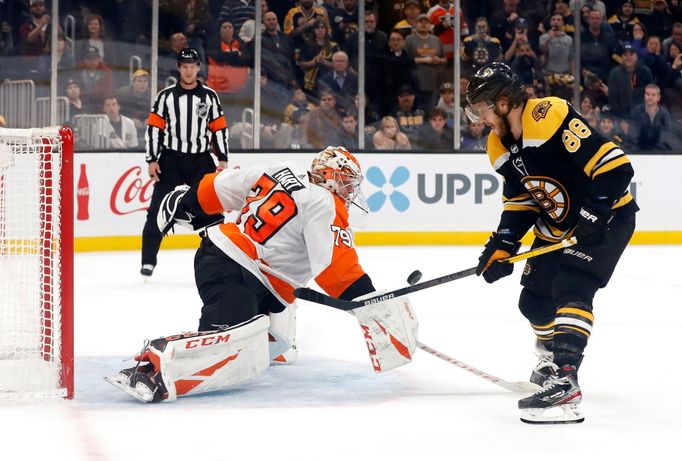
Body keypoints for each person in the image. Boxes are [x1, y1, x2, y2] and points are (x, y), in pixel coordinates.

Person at [109, 147, 419, 402]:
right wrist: (369, 301)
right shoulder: (325, 203)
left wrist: (187, 200)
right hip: (237, 271)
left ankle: (272, 342)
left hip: (224, 259)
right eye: (347, 181)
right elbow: (337, 270)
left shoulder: (282, 169)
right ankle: (157, 363)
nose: (351, 190)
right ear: (328, 175)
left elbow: (219, 187)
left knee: (279, 316)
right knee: (237, 349)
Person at [465, 62, 638, 424]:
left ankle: (565, 380)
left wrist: (594, 214)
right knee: (534, 301)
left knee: (571, 285)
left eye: (481, 108)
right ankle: (549, 359)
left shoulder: (548, 115)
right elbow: (522, 200)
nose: (479, 118)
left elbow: (617, 169)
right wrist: (504, 243)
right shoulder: (497, 145)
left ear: (502, 102)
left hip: (607, 216)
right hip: (559, 225)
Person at [140, 48, 229, 279]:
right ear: (179, 68)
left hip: (200, 159)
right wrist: (151, 159)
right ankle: (147, 262)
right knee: (156, 209)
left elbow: (219, 128)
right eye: (184, 66)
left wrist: (222, 159)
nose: (188, 70)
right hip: (171, 159)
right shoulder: (165, 96)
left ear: (198, 67)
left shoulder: (210, 96)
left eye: (192, 66)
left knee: (213, 211)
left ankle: (218, 259)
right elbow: (154, 129)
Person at [607, 43, 654, 119]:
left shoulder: (645, 71)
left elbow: (651, 94)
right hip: (620, 117)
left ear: (636, 56)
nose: (628, 57)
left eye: (631, 55)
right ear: (622, 57)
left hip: (642, 116)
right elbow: (613, 99)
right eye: (625, 55)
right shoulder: (614, 73)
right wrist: (622, 119)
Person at [630, 83, 675, 150]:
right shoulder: (636, 112)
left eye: (653, 95)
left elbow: (666, 138)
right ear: (644, 95)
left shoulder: (664, 114)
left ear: (658, 97)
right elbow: (633, 137)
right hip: (638, 152)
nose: (650, 97)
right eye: (647, 94)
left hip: (659, 153)